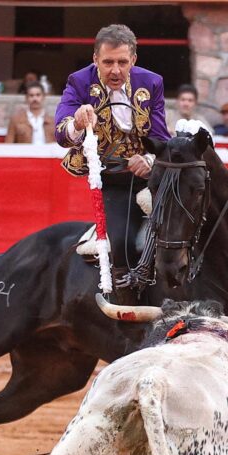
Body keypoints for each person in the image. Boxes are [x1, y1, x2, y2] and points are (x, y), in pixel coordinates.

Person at [55, 23, 172, 277]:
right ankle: (125, 296)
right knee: (122, 242)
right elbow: (61, 134)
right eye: (108, 62)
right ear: (95, 59)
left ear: (133, 60)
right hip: (114, 180)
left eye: (122, 62)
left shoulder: (151, 82)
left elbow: (161, 137)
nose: (116, 70)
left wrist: (149, 159)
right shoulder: (79, 82)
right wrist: (76, 121)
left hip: (152, 178)